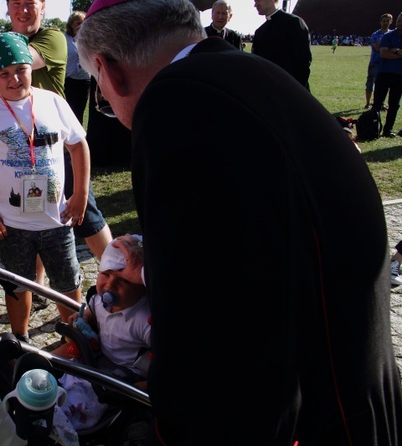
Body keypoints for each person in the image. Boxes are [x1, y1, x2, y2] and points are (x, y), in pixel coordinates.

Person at [77, 0, 402, 444]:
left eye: (101, 91)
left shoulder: (174, 102)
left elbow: (205, 314)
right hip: (357, 381)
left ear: (107, 68)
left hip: (306, 411)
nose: (110, 101)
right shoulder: (249, 72)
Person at [0, 0, 114, 302]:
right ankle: (37, 298)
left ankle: (116, 276)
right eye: (16, 4)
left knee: (88, 221)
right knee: (24, 262)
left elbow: (15, 55)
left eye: (30, 3)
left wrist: (82, 192)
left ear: (43, 7)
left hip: (56, 151)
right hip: (18, 189)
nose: (23, 10)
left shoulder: (53, 38)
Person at [0, 32, 88, 342]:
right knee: (17, 286)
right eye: (3, 73)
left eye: (20, 69)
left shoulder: (53, 102)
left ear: (31, 66)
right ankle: (21, 340)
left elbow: (78, 145)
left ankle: (80, 340)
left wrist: (81, 193)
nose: (14, 79)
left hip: (57, 218)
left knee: (68, 283)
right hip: (10, 224)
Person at [52, 233, 150, 429]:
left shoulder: (143, 319)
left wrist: (145, 386)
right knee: (57, 360)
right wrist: (84, 318)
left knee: (89, 396)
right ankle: (37, 370)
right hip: (96, 354)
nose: (110, 285)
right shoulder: (99, 300)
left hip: (124, 371)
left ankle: (62, 421)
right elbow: (92, 311)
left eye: (124, 281)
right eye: (106, 274)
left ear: (143, 288)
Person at [252, 0, 312, 90]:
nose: (255, 5)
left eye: (258, 0)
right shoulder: (259, 32)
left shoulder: (294, 23)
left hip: (292, 92)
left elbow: (303, 64)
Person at [373, 12, 402, 138]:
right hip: (384, 73)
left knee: (394, 104)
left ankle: (387, 130)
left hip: (399, 76)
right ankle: (373, 128)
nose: (399, 23)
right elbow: (383, 54)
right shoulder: (388, 35)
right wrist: (399, 52)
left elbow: (387, 52)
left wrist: (392, 50)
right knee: (378, 103)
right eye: (399, 21)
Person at [64, 11, 90, 123]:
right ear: (71, 25)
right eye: (78, 23)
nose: (81, 26)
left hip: (85, 80)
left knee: (80, 111)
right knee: (69, 112)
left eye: (83, 23)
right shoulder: (65, 38)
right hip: (69, 80)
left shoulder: (88, 39)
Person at [365, 13, 393, 109]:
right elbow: (377, 48)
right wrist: (391, 49)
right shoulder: (376, 34)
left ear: (391, 22)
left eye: (387, 21)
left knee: (384, 85)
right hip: (375, 63)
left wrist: (386, 48)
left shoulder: (393, 34)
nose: (385, 23)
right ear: (380, 22)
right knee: (370, 82)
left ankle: (380, 103)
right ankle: (368, 103)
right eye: (384, 21)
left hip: (387, 63)